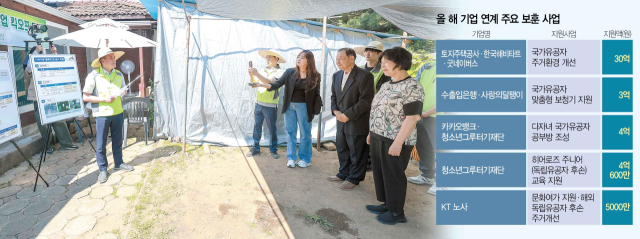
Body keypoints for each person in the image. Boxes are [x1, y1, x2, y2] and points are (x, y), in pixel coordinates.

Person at [365, 47, 424, 225]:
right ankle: (387, 204)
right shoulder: (386, 84)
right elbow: (377, 109)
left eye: (386, 62)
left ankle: (397, 212)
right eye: (382, 62)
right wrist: (371, 132)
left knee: (393, 175)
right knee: (381, 173)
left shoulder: (412, 86)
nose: (382, 65)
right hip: (378, 136)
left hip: (396, 139)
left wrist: (398, 142)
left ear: (400, 63)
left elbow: (412, 117)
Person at [253, 50, 322, 168]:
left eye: (302, 58)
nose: (298, 59)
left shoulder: (315, 75)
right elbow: (276, 84)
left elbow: (316, 94)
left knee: (305, 134)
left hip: (304, 107)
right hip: (289, 106)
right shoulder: (290, 72)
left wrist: (315, 109)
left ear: (309, 60)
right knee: (290, 132)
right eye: (298, 57)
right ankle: (291, 158)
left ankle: (305, 158)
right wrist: (261, 84)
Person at [83, 47, 134, 183]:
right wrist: (104, 99)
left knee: (117, 141)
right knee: (101, 144)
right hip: (102, 114)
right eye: (111, 58)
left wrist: (123, 92)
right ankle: (103, 169)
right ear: (102, 61)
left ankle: (119, 163)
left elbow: (123, 91)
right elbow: (86, 97)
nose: (114, 60)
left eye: (114, 57)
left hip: (118, 112)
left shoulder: (119, 74)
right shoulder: (94, 75)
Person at [326, 48, 374, 191]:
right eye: (336, 59)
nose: (338, 61)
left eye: (341, 58)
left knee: (356, 150)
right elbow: (334, 95)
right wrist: (336, 111)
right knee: (342, 146)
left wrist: (347, 115)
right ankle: (343, 173)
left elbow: (365, 100)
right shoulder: (337, 75)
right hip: (340, 118)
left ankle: (354, 178)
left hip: (356, 119)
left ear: (352, 58)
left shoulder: (365, 76)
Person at [25, 44, 78, 154]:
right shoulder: (31, 64)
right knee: (43, 123)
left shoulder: (49, 63)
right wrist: (36, 53)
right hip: (38, 98)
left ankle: (66, 143)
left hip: (53, 95)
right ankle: (48, 145)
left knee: (59, 120)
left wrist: (54, 53)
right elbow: (29, 68)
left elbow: (59, 64)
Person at [406, 62, 447, 196]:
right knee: (424, 145)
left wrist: (429, 112)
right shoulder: (428, 66)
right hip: (422, 114)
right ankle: (427, 175)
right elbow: (416, 87)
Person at [246, 49, 286, 159]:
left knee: (272, 128)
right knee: (257, 127)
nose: (267, 59)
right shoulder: (263, 70)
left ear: (276, 59)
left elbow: (270, 82)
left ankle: (273, 150)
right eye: (267, 57)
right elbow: (255, 83)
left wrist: (256, 73)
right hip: (259, 102)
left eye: (270, 57)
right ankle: (255, 148)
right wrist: (251, 75)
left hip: (271, 104)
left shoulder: (280, 72)